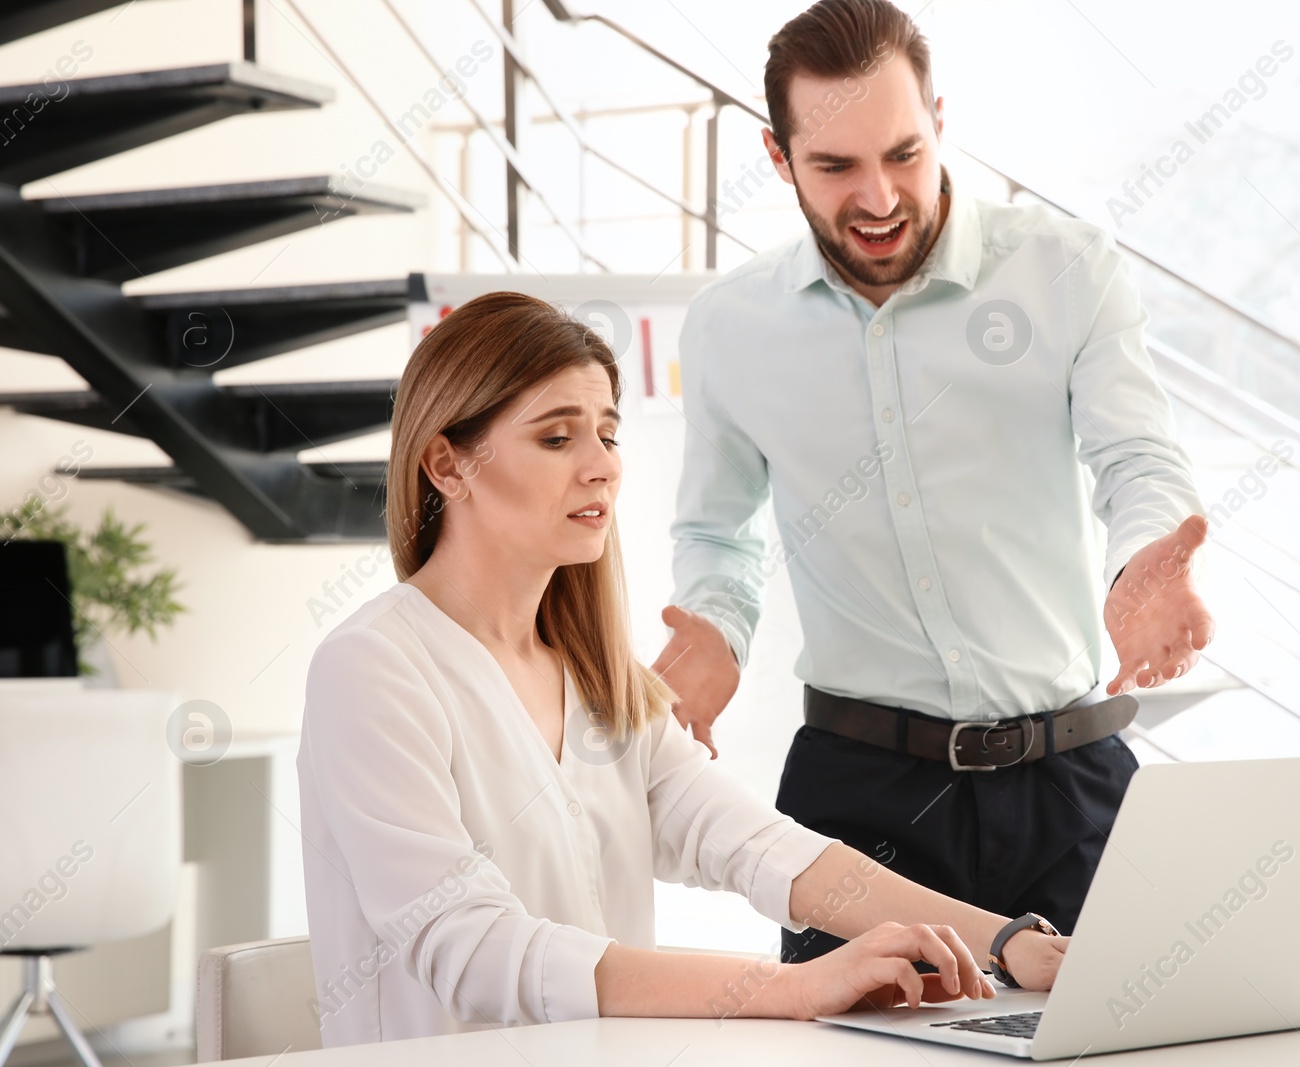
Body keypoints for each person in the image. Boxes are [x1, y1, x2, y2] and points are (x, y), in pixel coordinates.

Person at [295, 291, 1081, 1048]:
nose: (601, 465)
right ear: (446, 465)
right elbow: (472, 949)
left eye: (607, 433)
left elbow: (757, 845)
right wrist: (794, 990)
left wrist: (1004, 940)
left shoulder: (602, 679)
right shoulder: (372, 669)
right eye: (556, 437)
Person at [654, 0, 1215, 967]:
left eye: (904, 154)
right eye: (835, 167)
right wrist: (714, 622)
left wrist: (1140, 564)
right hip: (859, 800)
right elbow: (718, 532)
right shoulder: (729, 326)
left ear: (940, 122)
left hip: (1070, 784)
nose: (878, 197)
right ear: (778, 157)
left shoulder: (1064, 268)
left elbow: (1136, 462)